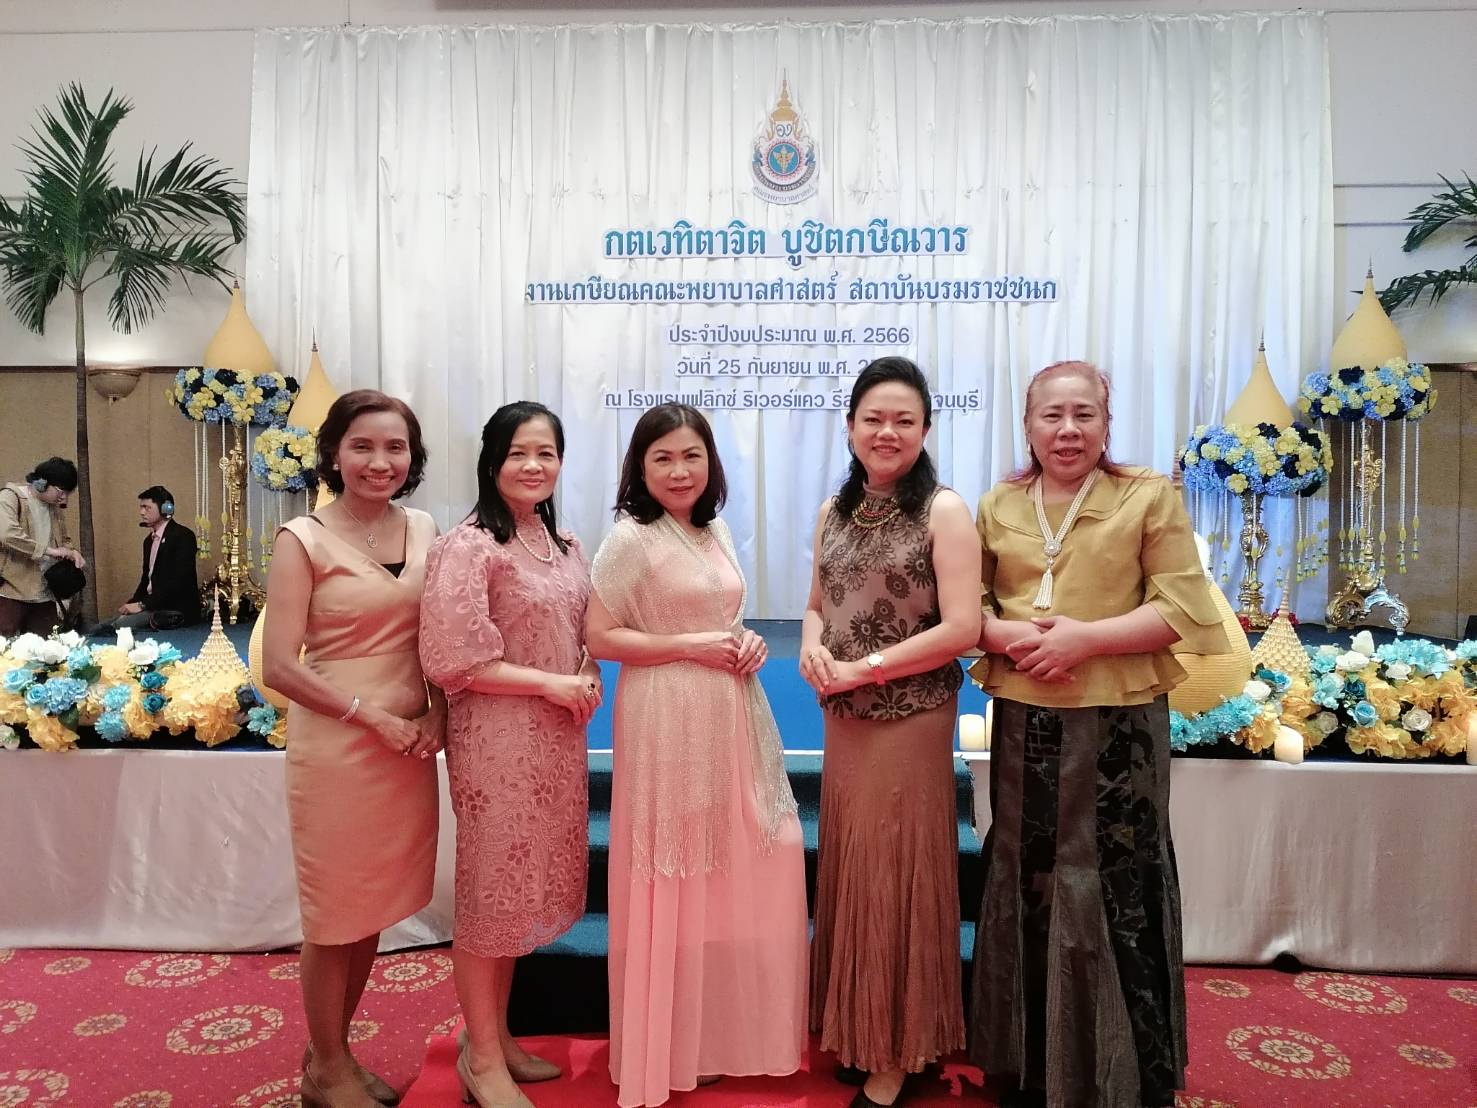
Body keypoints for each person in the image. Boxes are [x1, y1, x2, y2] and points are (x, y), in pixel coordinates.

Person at [968, 360, 1228, 1108]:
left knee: (1114, 879)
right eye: (1051, 415)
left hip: (1119, 728)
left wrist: (1083, 641)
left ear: (1106, 423)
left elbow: (1180, 608)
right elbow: (968, 606)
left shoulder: (1145, 495)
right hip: (1026, 721)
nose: (1068, 430)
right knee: (1029, 875)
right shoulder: (998, 503)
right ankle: (1028, 1064)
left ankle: (1122, 1073)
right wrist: (1012, 636)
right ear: (1027, 425)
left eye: (1084, 414)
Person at [586, 403, 806, 1108]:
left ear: (710, 462)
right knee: (676, 870)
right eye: (663, 458)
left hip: (730, 710)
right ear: (639, 467)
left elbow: (723, 618)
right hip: (666, 714)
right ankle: (668, 1042)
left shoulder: (712, 529)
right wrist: (689, 646)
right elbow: (599, 635)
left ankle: (714, 1032)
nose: (679, 471)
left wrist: (747, 641)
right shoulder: (630, 538)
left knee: (745, 857)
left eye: (691, 456)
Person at [801, 357, 982, 1108]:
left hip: (910, 715)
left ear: (926, 429)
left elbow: (963, 628)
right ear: (849, 426)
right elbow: (816, 605)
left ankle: (900, 1049)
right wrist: (812, 648)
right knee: (854, 863)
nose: (887, 431)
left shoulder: (944, 510)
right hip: (843, 714)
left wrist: (865, 667)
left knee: (898, 869)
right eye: (873, 418)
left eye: (903, 420)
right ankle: (860, 1028)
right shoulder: (833, 511)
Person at [262, 389, 445, 1108]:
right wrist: (372, 718)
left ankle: (327, 1056)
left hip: (408, 746)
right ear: (334, 453)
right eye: (362, 446)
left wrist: (438, 713)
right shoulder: (301, 538)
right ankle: (331, 1068)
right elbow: (280, 667)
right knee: (333, 915)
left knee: (371, 909)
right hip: (339, 746)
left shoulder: (425, 528)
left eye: (395, 447)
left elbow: (441, 637)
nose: (379, 461)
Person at [419, 402, 601, 1108]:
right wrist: (552, 683)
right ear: (492, 461)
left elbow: (585, 630)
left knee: (522, 891)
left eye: (546, 453)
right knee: (490, 895)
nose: (533, 465)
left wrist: (585, 671)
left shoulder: (564, 543)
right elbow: (453, 659)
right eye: (519, 452)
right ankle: (483, 1060)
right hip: (496, 742)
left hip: (556, 739)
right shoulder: (468, 547)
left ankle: (491, 1036)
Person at [96, 485, 201, 633]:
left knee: (118, 627)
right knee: (102, 626)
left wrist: (142, 605)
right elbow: (146, 579)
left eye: (147, 507)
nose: (142, 512)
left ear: (166, 509)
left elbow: (179, 581)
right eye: (141, 507)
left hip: (174, 609)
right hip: (153, 606)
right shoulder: (148, 541)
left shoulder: (183, 536)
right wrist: (132, 604)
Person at [0, 457, 84, 637]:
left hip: (45, 591)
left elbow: (64, 539)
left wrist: (72, 552)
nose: (64, 497)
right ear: (41, 483)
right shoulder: (11, 497)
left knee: (46, 646)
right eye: (61, 491)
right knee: (5, 644)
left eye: (68, 493)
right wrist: (49, 551)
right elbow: (7, 534)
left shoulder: (54, 508)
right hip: (10, 589)